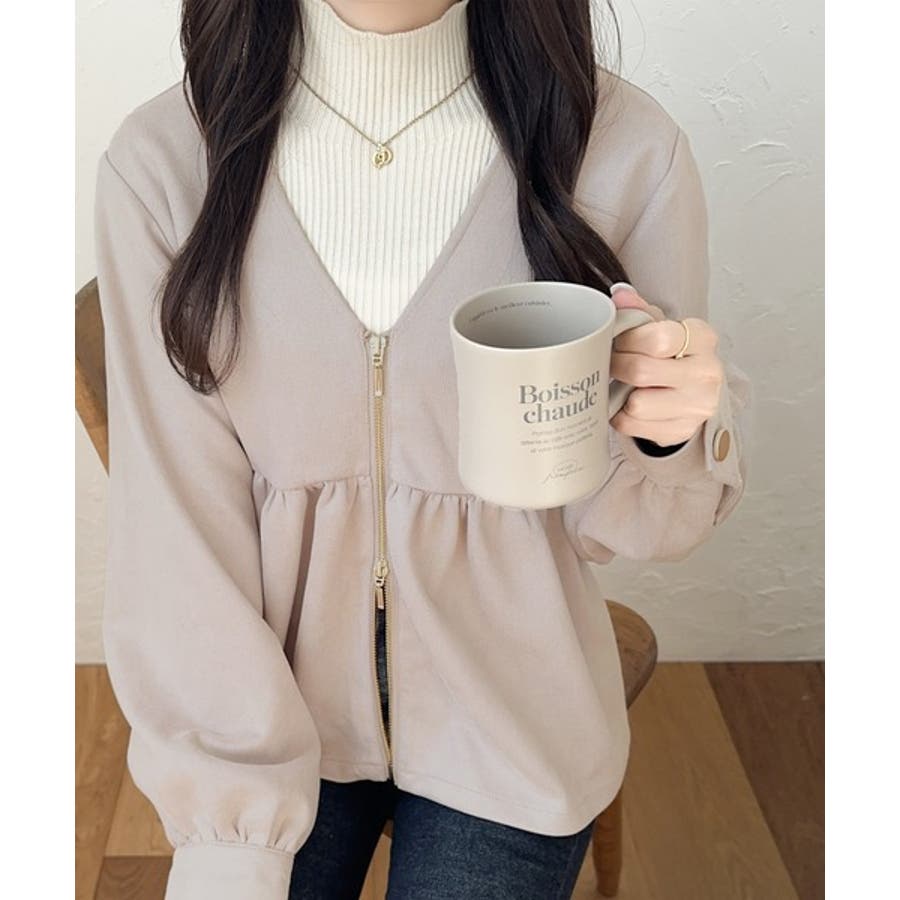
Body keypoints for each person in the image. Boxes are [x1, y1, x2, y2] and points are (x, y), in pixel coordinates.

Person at [92, 1, 751, 898]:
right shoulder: (168, 163)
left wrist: (667, 436)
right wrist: (227, 828)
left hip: (514, 717)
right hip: (261, 705)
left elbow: (637, 528)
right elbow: (178, 538)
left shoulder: (623, 150)